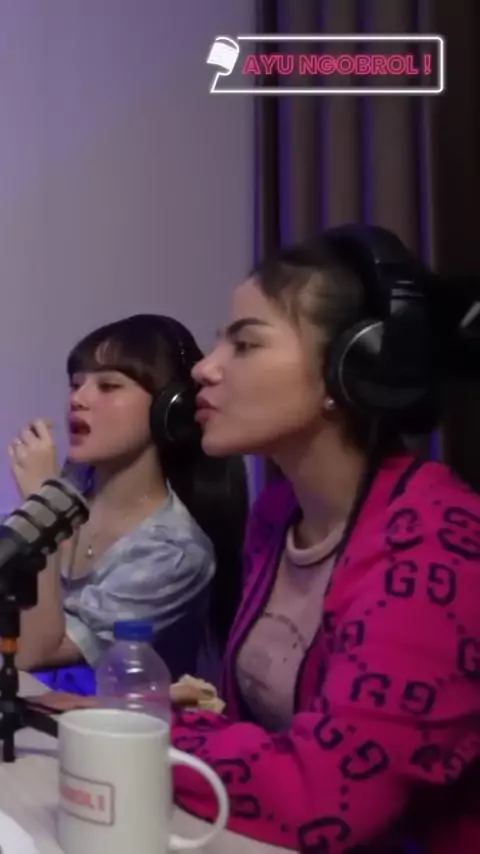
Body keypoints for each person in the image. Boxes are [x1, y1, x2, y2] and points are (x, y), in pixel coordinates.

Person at [168, 228, 480, 854]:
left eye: (245, 343)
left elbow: (326, 796)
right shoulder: (277, 514)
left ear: (355, 366)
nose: (204, 367)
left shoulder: (439, 546)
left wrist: (137, 727)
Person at [8, 314, 248, 691]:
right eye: (75, 384)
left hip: (111, 724)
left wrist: (43, 506)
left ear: (169, 409)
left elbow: (36, 652)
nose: (77, 400)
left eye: (108, 386)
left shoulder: (174, 552)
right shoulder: (73, 489)